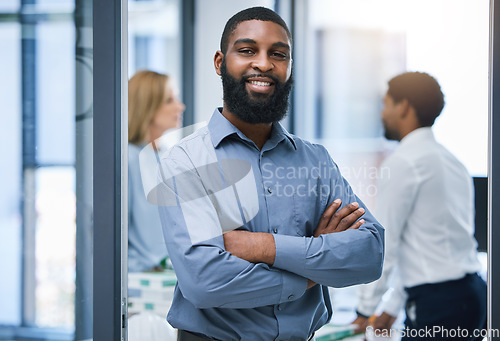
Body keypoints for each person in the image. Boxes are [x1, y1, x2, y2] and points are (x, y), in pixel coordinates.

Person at [157, 7, 384, 340]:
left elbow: (370, 253)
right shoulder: (186, 162)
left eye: (279, 54)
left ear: (289, 68)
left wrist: (261, 247)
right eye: (248, 50)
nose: (264, 64)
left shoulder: (316, 160)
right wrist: (312, 268)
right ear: (220, 62)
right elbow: (203, 281)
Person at [352, 72, 486, 340]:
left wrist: (364, 309)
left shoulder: (404, 163)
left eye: (386, 104)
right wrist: (391, 307)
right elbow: (422, 248)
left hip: (440, 304)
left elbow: (385, 244)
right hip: (471, 295)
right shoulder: (452, 162)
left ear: (403, 107)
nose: (382, 114)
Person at [128, 70, 185, 272]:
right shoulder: (128, 159)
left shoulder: (168, 157)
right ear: (147, 106)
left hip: (169, 277)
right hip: (139, 282)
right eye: (169, 100)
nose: (180, 106)